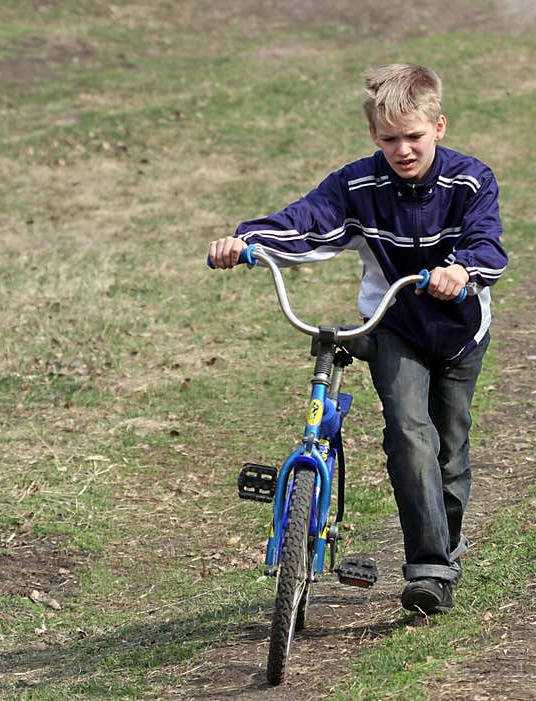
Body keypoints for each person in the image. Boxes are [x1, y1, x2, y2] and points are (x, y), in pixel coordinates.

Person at [208, 63, 508, 614]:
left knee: (450, 449)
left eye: (415, 136)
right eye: (390, 139)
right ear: (374, 135)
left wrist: (462, 271)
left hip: (460, 329)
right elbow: (307, 221)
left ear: (438, 127)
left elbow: (488, 244)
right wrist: (245, 241)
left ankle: (448, 544)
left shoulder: (470, 180)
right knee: (409, 436)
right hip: (391, 326)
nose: (404, 150)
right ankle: (430, 570)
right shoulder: (357, 184)